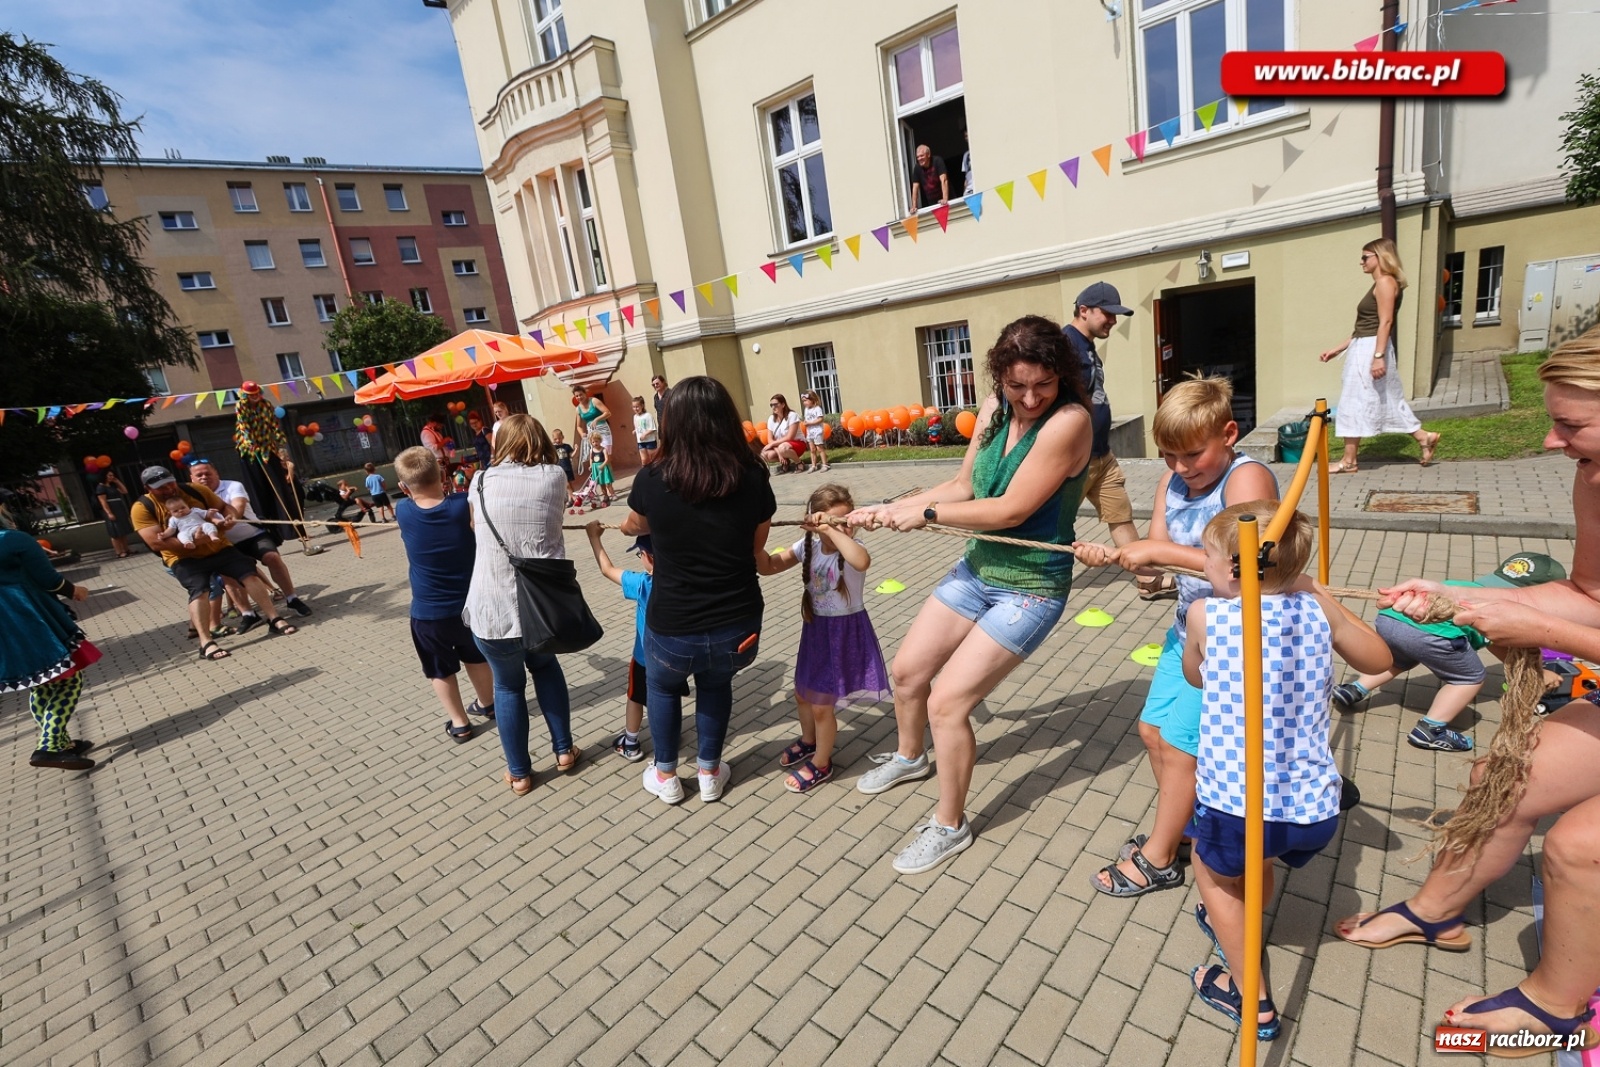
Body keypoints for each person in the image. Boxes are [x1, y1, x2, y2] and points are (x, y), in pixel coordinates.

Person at [1333, 339, 1600, 1051]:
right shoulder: (1594, 474)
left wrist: (1535, 626)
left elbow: (1558, 619)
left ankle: (1557, 1004)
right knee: (1500, 777)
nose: (1551, 440)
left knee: (1577, 846)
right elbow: (1586, 595)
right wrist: (1463, 598)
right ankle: (1432, 912)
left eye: (1572, 426)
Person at [845, 316, 1093, 874]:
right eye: (1017, 385)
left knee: (947, 704)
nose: (1030, 398)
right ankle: (911, 757)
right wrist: (889, 507)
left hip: (1029, 584)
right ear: (999, 378)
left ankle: (950, 825)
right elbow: (964, 486)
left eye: (1043, 385)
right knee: (908, 674)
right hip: (978, 569)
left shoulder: (1069, 422)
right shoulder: (992, 410)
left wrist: (924, 514)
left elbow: (1011, 510)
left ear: (1062, 377)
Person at [1184, 503, 1391, 1041]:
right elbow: (1377, 660)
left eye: (1206, 557)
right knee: (1257, 866)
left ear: (1232, 570)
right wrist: (1323, 597)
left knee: (1210, 875)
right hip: (1313, 809)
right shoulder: (1319, 610)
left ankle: (1250, 995)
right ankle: (1239, 922)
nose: (1202, 567)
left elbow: (1195, 677)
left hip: (1238, 806)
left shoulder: (1206, 615)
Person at [1073, 377, 1279, 897]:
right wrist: (1120, 557)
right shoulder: (1172, 484)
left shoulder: (1245, 479)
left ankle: (1160, 856)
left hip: (1235, 639)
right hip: (1188, 628)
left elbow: (1252, 567)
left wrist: (1153, 555)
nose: (1182, 468)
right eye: (1168, 457)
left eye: (1192, 454)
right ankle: (1186, 826)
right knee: (1151, 732)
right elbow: (1157, 556)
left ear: (1229, 433)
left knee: (1183, 749)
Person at [620, 375, 777, 805]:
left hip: (674, 624)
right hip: (738, 624)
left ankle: (666, 775)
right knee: (716, 684)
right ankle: (710, 771)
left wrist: (630, 525)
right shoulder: (752, 477)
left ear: (672, 423)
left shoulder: (653, 479)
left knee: (665, 687)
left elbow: (633, 525)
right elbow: (756, 547)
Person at [1332, 551, 1567, 754]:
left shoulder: (1469, 588)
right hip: (1429, 635)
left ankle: (1354, 689)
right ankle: (1431, 729)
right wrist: (1536, 673)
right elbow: (1499, 645)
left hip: (1391, 618)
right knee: (1469, 678)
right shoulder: (1501, 606)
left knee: (1400, 659)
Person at [464, 414, 578, 795]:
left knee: (508, 687)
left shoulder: (479, 481)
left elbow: (473, 526)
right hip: (542, 607)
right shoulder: (555, 476)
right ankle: (564, 751)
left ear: (501, 444)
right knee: (546, 668)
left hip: (491, 607)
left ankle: (520, 774)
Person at [757, 484, 890, 793]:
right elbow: (768, 566)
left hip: (845, 634)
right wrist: (752, 539)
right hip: (816, 631)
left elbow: (862, 560)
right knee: (802, 693)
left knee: (821, 706)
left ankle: (822, 762)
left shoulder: (850, 547)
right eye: (833, 521)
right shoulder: (809, 547)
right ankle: (809, 740)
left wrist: (836, 529)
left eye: (846, 520)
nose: (842, 526)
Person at [1063, 282, 1169, 599]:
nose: (1113, 321)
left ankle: (1147, 579)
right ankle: (1032, 579)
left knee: (1119, 514)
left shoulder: (1086, 345)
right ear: (1085, 310)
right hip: (1075, 461)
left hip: (1102, 456)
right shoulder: (1064, 346)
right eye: (1108, 314)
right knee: (1054, 524)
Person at [130, 466, 297, 660]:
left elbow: (225, 508)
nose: (168, 489)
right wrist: (195, 543)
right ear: (148, 488)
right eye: (161, 487)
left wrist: (229, 519)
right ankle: (206, 642)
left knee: (249, 574)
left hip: (219, 548)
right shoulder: (141, 508)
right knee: (200, 591)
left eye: (170, 483)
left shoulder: (195, 490)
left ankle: (274, 618)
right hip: (183, 557)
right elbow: (155, 542)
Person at [393, 446, 497, 744]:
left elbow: (415, 501)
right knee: (476, 657)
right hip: (469, 606)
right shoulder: (462, 505)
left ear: (403, 487)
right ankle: (488, 704)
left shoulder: (404, 510)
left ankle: (460, 722)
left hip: (428, 613)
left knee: (439, 669)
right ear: (442, 475)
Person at [1318, 237, 1440, 472]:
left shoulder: (1385, 282)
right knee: (1389, 398)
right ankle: (1424, 437)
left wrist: (1378, 356)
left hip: (1371, 349)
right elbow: (1366, 327)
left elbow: (1385, 322)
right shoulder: (1381, 283)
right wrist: (1338, 349)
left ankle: (1349, 461)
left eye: (1365, 257)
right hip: (1366, 345)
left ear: (1380, 257)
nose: (1361, 262)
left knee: (1353, 401)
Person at [584, 524, 686, 763]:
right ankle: (670, 735)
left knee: (635, 697)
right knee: (670, 695)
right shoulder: (683, 581)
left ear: (649, 557)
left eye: (640, 554)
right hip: (677, 657)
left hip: (645, 657)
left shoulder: (642, 583)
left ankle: (630, 742)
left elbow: (607, 569)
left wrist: (593, 538)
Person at [1, 529, 99, 770]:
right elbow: (48, 579)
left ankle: (61, 743)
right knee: (69, 680)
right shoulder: (13, 539)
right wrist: (74, 590)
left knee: (42, 682)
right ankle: (49, 747)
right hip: (22, 616)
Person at [189, 459, 312, 617]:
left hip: (252, 535)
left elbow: (238, 507)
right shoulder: (191, 497)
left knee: (272, 557)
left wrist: (229, 519)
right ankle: (248, 614)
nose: (204, 477)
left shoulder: (233, 485)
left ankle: (292, 599)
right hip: (225, 544)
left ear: (216, 473)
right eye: (199, 475)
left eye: (208, 473)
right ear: (192, 478)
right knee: (228, 576)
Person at [760, 394, 804, 474]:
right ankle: (785, 461)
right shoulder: (771, 419)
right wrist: (779, 453)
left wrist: (775, 446)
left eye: (776, 404)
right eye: (771, 405)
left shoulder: (792, 415)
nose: (773, 407)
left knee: (782, 448)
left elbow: (790, 437)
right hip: (780, 447)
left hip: (796, 444)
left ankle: (799, 462)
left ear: (783, 405)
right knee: (764, 454)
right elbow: (770, 440)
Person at [95, 469, 134, 558]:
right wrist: (109, 513)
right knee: (115, 532)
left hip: (119, 508)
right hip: (111, 509)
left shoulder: (112, 486)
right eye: (109, 475)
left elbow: (125, 491)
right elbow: (103, 501)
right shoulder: (101, 487)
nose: (111, 477)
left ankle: (126, 549)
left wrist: (117, 481)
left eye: (112, 475)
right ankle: (119, 552)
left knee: (122, 531)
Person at [574, 386, 612, 458]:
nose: (579, 397)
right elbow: (578, 426)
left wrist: (597, 419)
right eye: (577, 396)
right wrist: (582, 434)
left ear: (585, 393)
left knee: (606, 455)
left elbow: (608, 413)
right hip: (592, 433)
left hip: (603, 429)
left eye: (581, 394)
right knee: (596, 456)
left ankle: (607, 469)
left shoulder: (594, 401)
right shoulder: (578, 409)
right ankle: (596, 469)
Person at [909, 144, 949, 211]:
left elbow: (944, 180)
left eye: (922, 156)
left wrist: (945, 199)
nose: (919, 159)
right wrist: (914, 206)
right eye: (917, 157)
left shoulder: (937, 161)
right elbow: (915, 187)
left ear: (928, 154)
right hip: (932, 203)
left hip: (948, 199)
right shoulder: (917, 168)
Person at [800, 391, 829, 472]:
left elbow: (820, 419)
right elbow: (807, 418)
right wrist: (805, 422)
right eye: (803, 401)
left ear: (812, 400)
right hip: (810, 432)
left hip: (817, 431)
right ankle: (813, 465)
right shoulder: (806, 409)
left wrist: (810, 423)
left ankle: (825, 464)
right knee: (812, 449)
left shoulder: (817, 409)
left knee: (820, 448)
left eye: (806, 401)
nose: (804, 403)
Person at [588, 432, 614, 507]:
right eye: (593, 442)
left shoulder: (603, 449)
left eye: (596, 441)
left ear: (600, 441)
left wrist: (603, 465)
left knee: (607, 482)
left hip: (603, 468)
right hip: (596, 468)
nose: (595, 443)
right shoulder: (591, 450)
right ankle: (605, 496)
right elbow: (591, 458)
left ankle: (612, 494)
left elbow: (606, 459)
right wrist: (590, 466)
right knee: (601, 483)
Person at [633, 396, 659, 465]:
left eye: (637, 406)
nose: (635, 409)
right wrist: (635, 430)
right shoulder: (635, 417)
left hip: (650, 441)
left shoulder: (648, 415)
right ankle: (646, 474)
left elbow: (653, 428)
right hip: (640, 441)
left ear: (642, 405)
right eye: (634, 407)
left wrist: (645, 434)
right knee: (644, 460)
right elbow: (638, 427)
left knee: (653, 459)